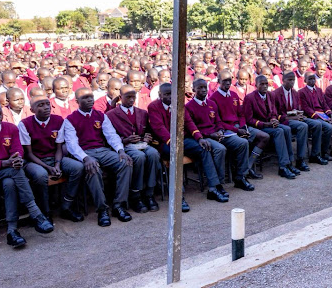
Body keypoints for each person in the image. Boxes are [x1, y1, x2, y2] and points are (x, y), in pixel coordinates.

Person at [0, 100, 55, 247]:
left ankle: (12, 231)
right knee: (15, 172)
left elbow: (17, 149)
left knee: (10, 183)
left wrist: (18, 159)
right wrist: (6, 163)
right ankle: (36, 213)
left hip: (9, 170)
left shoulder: (10, 128)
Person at [62, 88, 134, 227]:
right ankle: (102, 209)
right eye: (85, 98)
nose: (89, 100)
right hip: (84, 152)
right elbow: (71, 144)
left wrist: (120, 151)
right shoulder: (70, 120)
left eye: (91, 97)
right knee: (92, 169)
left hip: (102, 150)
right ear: (77, 101)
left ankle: (119, 206)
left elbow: (111, 135)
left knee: (125, 162)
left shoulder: (100, 115)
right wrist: (85, 158)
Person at [148, 82, 226, 208]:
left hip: (182, 140)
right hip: (166, 143)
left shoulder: (178, 104)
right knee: (176, 155)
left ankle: (213, 188)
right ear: (159, 95)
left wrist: (199, 138)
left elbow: (188, 122)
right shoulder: (153, 106)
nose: (170, 97)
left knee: (204, 148)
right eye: (166, 94)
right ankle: (179, 197)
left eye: (172, 94)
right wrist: (172, 142)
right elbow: (159, 128)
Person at [20, 95, 85, 222]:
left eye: (47, 104)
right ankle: (45, 211)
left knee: (77, 167)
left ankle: (66, 206)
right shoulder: (25, 124)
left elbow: (58, 147)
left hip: (54, 157)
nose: (46, 108)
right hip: (35, 161)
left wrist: (57, 165)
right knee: (40, 175)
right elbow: (28, 153)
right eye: (40, 105)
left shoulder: (58, 120)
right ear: (32, 110)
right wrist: (48, 168)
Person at [186, 79, 254, 192]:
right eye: (200, 88)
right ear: (193, 90)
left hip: (218, 134)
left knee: (243, 143)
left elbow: (218, 121)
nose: (203, 90)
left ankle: (240, 177)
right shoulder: (189, 107)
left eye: (204, 87)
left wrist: (221, 131)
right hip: (205, 137)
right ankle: (218, 183)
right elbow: (192, 128)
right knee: (220, 149)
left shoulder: (211, 104)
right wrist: (210, 135)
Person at [106, 85, 161, 213]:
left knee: (153, 153)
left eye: (133, 97)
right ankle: (136, 195)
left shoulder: (142, 112)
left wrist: (147, 137)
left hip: (141, 144)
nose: (131, 100)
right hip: (125, 146)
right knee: (139, 157)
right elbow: (108, 137)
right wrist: (125, 140)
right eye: (128, 97)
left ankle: (149, 193)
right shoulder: (111, 115)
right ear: (120, 98)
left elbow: (148, 130)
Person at [209, 71, 270, 180]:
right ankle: (242, 174)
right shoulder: (214, 98)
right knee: (243, 142)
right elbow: (219, 122)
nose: (228, 83)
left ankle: (249, 165)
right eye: (225, 81)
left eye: (229, 80)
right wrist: (237, 130)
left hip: (239, 127)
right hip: (227, 129)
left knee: (264, 137)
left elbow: (241, 114)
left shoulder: (233, 94)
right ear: (218, 81)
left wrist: (242, 126)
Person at [243, 75, 300, 179]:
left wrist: (273, 119)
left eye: (266, 84)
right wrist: (265, 124)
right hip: (258, 127)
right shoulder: (250, 98)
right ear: (256, 85)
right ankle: (283, 167)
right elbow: (249, 120)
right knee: (279, 132)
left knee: (286, 129)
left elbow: (273, 112)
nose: (265, 86)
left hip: (268, 124)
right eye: (262, 84)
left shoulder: (270, 95)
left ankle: (289, 163)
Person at [299, 72, 332, 161]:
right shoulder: (301, 92)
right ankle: (323, 152)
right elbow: (306, 108)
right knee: (329, 128)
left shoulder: (319, 90)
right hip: (313, 116)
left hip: (324, 114)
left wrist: (330, 115)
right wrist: (320, 117)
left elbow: (324, 104)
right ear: (305, 80)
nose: (312, 81)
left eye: (313, 79)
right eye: (310, 79)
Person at [272, 71, 311, 171]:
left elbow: (295, 108)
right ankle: (297, 160)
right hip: (282, 121)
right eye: (289, 80)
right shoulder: (275, 94)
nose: (292, 82)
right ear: (283, 80)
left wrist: (298, 114)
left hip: (293, 119)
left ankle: (301, 159)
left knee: (308, 123)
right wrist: (292, 118)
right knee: (303, 126)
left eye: (293, 80)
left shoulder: (295, 93)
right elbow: (275, 114)